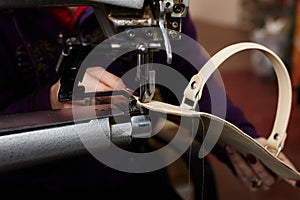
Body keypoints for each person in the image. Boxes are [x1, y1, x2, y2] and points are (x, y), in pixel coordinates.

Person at [0, 5, 298, 199]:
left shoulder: (151, 6)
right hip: (29, 182)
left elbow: (190, 74)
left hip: (123, 168)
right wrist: (47, 102)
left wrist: (240, 140)